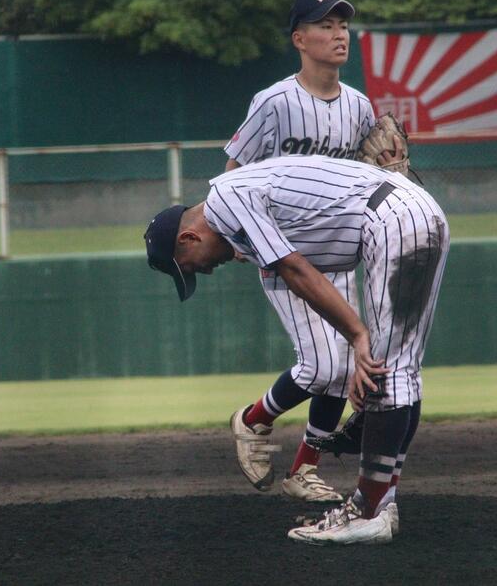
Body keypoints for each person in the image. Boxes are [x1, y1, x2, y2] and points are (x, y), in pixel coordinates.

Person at [145, 155, 449, 544]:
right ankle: (381, 501)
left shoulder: (226, 195)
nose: (201, 272)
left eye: (188, 266)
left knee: (384, 370)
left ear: (189, 238)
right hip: (414, 212)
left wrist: (357, 337)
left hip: (396, 221)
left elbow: (294, 268)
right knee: (398, 371)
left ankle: (366, 511)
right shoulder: (234, 205)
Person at [222, 0, 406, 504]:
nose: (339, 33)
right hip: (285, 253)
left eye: (343, 24)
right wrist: (239, 231)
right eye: (325, 26)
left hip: (340, 252)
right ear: (300, 39)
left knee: (348, 367)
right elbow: (234, 172)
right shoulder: (274, 102)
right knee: (327, 366)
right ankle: (253, 419)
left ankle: (303, 468)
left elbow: (365, 177)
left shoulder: (360, 107)